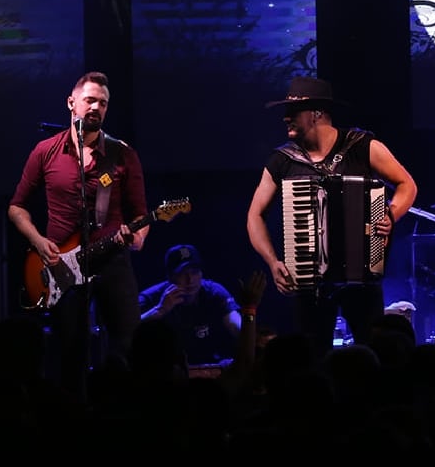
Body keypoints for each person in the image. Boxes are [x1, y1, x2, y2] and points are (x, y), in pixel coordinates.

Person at [246, 75, 417, 363]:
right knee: (312, 360)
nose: (286, 118)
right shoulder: (283, 160)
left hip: (361, 278)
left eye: (293, 112)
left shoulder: (362, 145)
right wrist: (273, 262)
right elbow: (254, 215)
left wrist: (391, 214)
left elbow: (407, 185)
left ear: (316, 114)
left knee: (374, 355)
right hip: (309, 280)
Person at [8, 71, 150, 399]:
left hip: (112, 260)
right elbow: (16, 207)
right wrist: (38, 241)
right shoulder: (45, 151)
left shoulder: (122, 154)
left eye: (103, 103)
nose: (96, 107)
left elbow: (141, 214)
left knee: (128, 344)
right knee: (70, 353)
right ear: (72, 103)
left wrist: (139, 235)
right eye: (90, 100)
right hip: (60, 265)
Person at [138, 243, 242, 366]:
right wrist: (160, 310)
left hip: (210, 365)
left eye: (194, 272)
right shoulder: (151, 297)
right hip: (166, 369)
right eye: (182, 273)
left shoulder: (214, 292)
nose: (190, 279)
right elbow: (128, 331)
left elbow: (237, 327)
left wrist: (250, 314)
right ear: (170, 276)